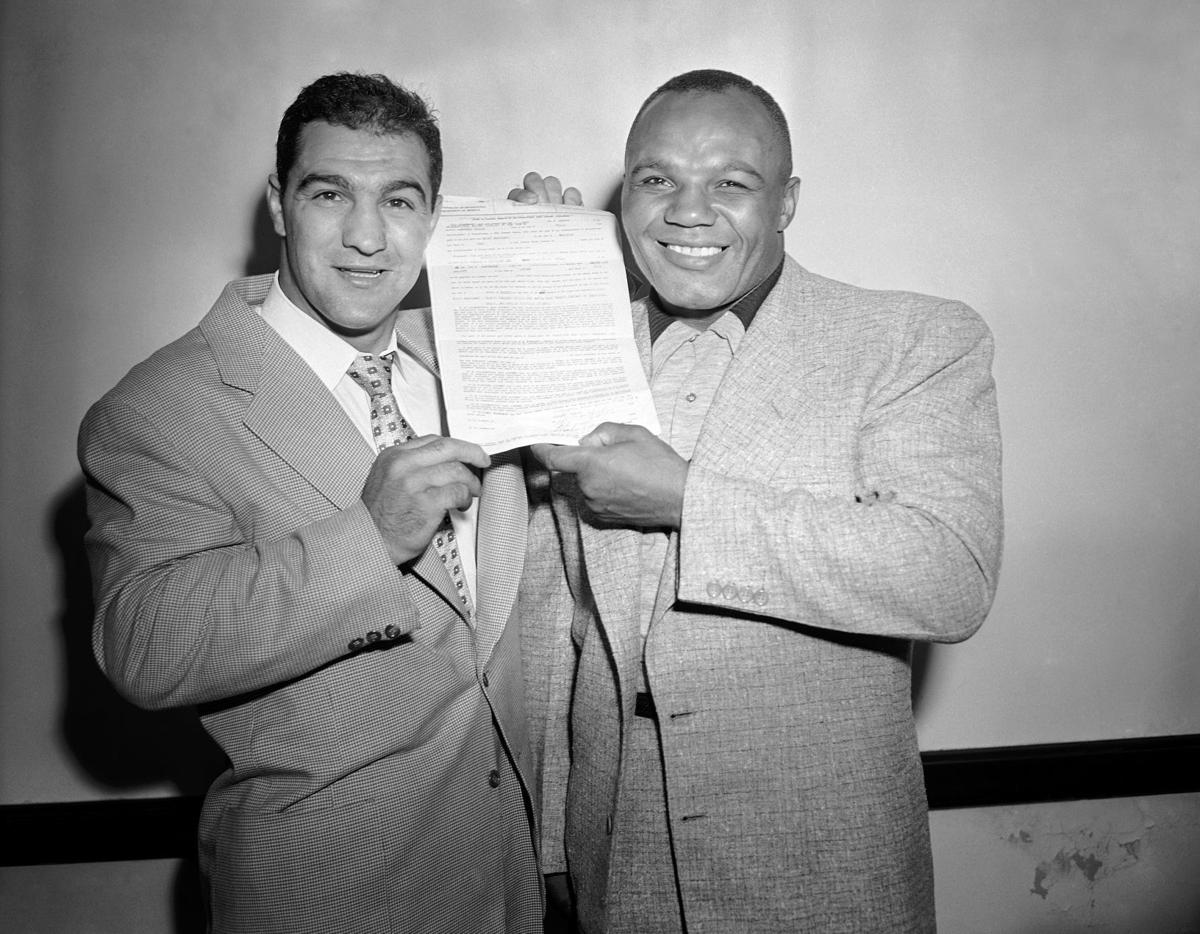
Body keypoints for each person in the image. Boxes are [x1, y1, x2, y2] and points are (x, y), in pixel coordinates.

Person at [514, 69, 1003, 933]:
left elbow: (947, 574)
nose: (687, 212)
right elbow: (559, 622)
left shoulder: (913, 338)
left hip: (825, 857)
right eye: (656, 179)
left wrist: (687, 502)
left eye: (731, 184)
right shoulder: (573, 337)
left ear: (786, 202)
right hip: (615, 858)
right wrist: (551, 835)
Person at [79, 73, 544, 934]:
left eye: (400, 200)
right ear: (280, 205)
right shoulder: (158, 408)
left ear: (434, 216)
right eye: (331, 194)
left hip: (511, 884)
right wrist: (368, 541)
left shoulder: (474, 356)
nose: (368, 237)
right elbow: (142, 644)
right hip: (330, 895)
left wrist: (543, 261)